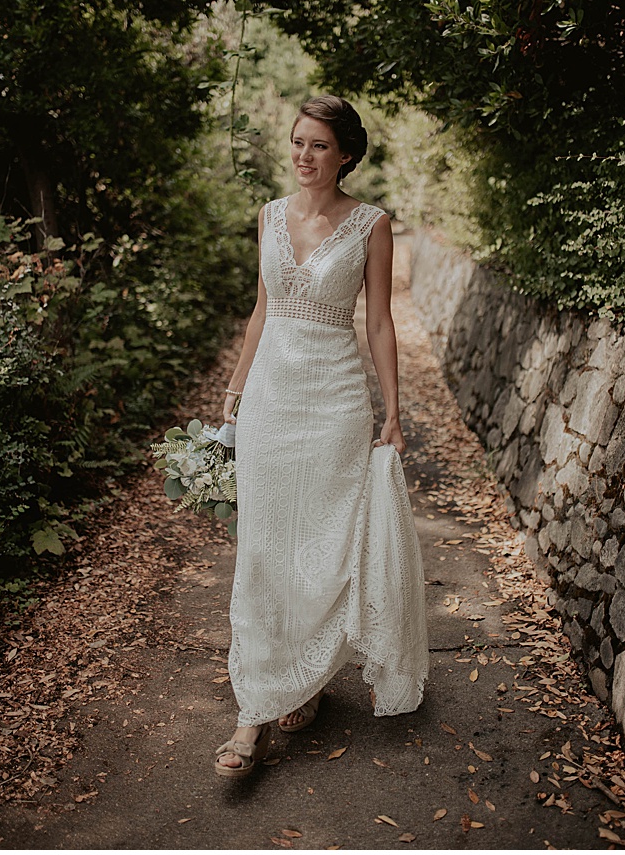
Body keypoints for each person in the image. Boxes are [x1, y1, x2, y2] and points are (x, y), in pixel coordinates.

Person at [211, 95, 430, 777]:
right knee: (265, 548)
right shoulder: (269, 215)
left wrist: (393, 413)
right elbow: (262, 309)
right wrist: (235, 393)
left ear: (345, 156)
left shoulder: (372, 224)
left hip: (336, 401)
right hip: (271, 401)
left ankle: (305, 679)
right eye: (298, 141)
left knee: (324, 545)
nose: (303, 156)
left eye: (319, 145)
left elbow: (380, 323)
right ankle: (252, 712)